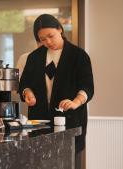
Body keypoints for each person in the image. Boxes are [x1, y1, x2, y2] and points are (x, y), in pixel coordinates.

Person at [19, 14, 94, 169]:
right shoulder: (34, 57)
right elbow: (24, 84)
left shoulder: (78, 56)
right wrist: (27, 93)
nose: (47, 42)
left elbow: (87, 86)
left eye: (51, 36)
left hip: (70, 122)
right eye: (42, 39)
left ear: (60, 29)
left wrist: (75, 102)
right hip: (39, 123)